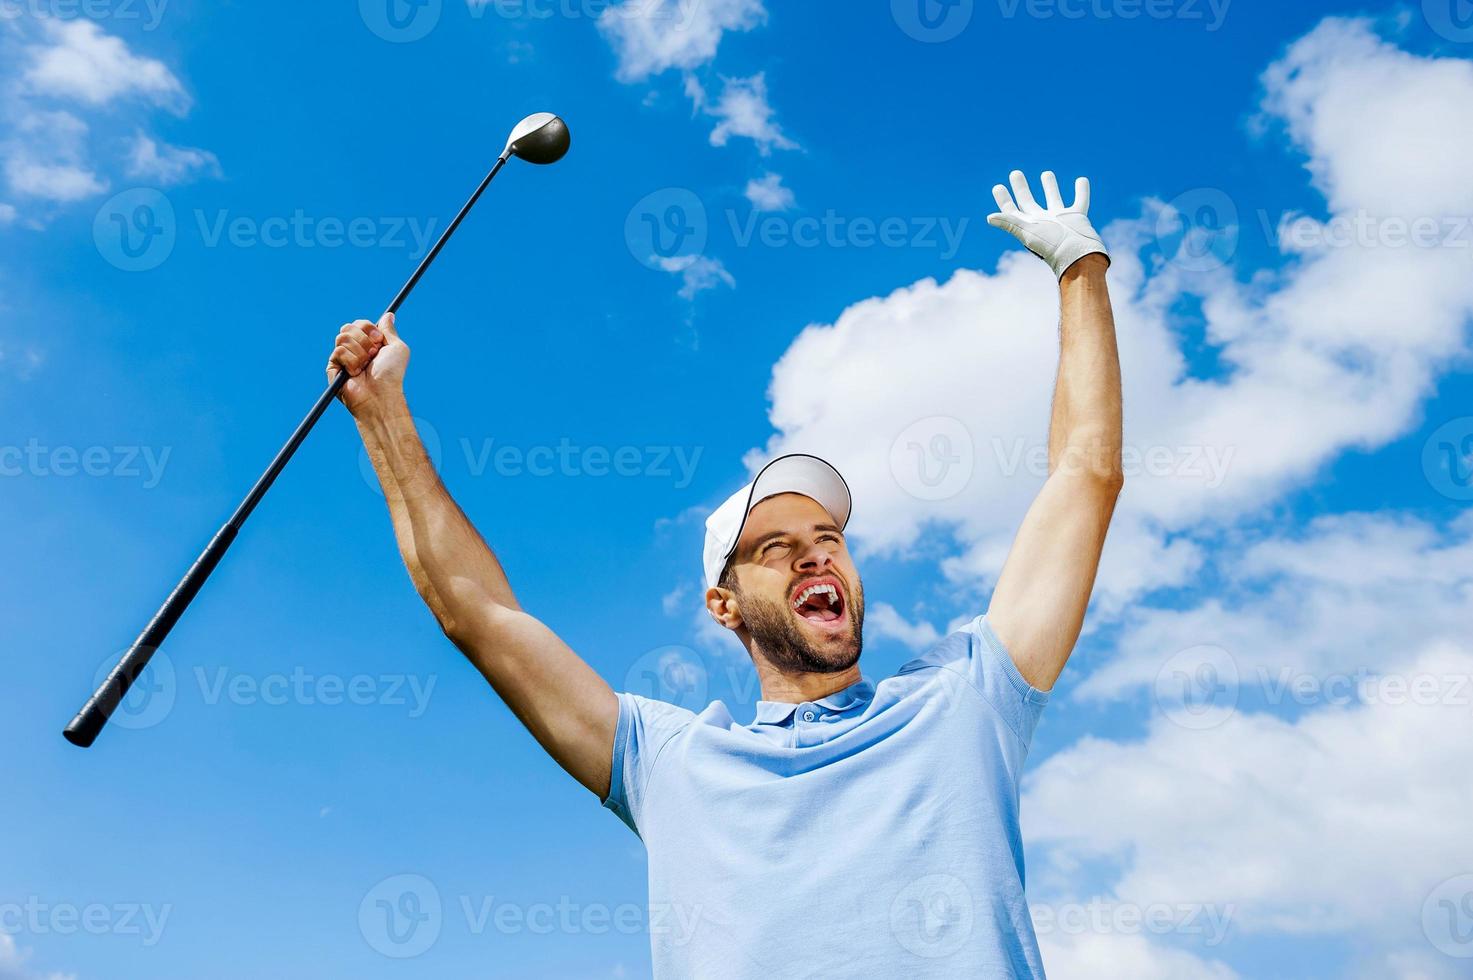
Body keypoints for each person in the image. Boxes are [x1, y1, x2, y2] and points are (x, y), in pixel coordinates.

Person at [327, 170, 1122, 978]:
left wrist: (1078, 270)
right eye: (775, 548)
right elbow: (480, 615)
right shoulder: (669, 763)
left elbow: (1082, 481)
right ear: (724, 604)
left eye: (827, 537)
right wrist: (384, 415)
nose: (815, 553)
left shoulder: (963, 697)